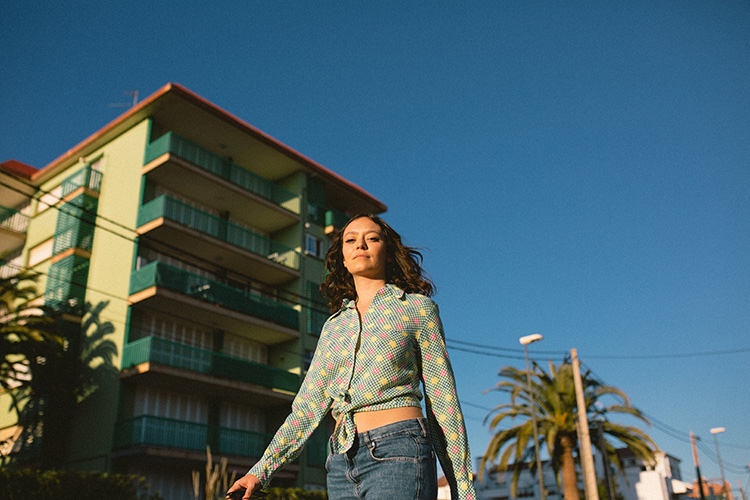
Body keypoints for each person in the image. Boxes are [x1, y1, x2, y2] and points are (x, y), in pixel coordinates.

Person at [228, 214, 476, 500]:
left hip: (400, 449)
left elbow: (443, 399)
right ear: (343, 259)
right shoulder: (334, 327)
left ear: (388, 253)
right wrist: (261, 471)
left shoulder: (417, 309)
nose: (361, 244)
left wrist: (463, 489)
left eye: (372, 238)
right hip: (341, 463)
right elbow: (307, 407)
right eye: (350, 240)